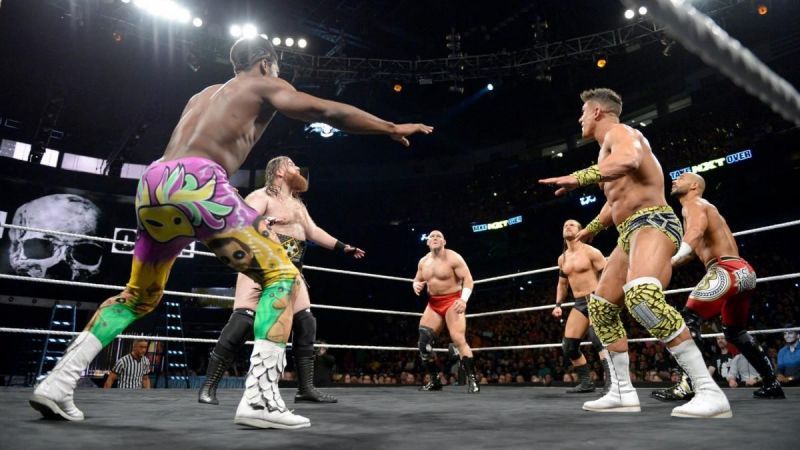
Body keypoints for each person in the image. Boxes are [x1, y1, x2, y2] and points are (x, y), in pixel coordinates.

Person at [29, 35, 432, 429]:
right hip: (199, 181)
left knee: (139, 296)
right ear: (266, 63)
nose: (279, 74)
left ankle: (58, 381)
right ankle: (259, 398)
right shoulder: (263, 82)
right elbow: (324, 111)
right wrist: (389, 126)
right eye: (277, 67)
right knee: (282, 276)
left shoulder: (201, 95)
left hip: (154, 182)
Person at [540, 88, 730, 418]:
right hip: (629, 232)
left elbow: (629, 161)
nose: (580, 118)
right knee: (599, 307)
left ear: (597, 112)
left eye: (583, 112)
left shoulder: (622, 133)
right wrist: (590, 230)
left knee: (642, 296)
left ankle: (709, 391)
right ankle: (622, 392)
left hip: (653, 222)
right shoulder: (606, 152)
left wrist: (578, 178)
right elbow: (614, 203)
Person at [198, 156, 362, 405]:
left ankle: (305, 389)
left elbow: (313, 231)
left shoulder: (297, 204)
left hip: (293, 270)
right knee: (241, 323)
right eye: (293, 164)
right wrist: (266, 222)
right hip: (261, 265)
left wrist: (343, 247)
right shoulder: (261, 196)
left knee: (306, 323)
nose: (298, 168)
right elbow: (242, 222)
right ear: (280, 171)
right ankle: (208, 387)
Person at [651, 172, 783, 400]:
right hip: (743, 272)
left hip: (725, 270)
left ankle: (689, 383)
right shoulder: (703, 208)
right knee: (735, 331)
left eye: (681, 178)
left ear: (694, 186)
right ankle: (772, 383)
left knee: (688, 318)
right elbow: (692, 252)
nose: (674, 181)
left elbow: (694, 233)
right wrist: (666, 263)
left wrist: (672, 258)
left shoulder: (694, 203)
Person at [413, 230, 479, 393]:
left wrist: (463, 299)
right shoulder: (423, 262)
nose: (435, 238)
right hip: (434, 303)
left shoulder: (453, 257)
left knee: (458, 339)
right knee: (423, 342)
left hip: (452, 300)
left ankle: (473, 381)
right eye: (432, 237)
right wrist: (415, 284)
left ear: (444, 242)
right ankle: (435, 381)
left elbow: (468, 279)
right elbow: (417, 279)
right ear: (427, 242)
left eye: (438, 236)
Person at [551, 219, 611, 393]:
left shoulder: (591, 252)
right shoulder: (562, 259)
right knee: (569, 346)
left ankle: (612, 382)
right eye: (565, 225)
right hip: (579, 302)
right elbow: (562, 284)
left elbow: (608, 274)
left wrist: (603, 298)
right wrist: (558, 304)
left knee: (597, 338)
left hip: (596, 297)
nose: (567, 226)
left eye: (572, 224)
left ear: (580, 231)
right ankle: (586, 382)